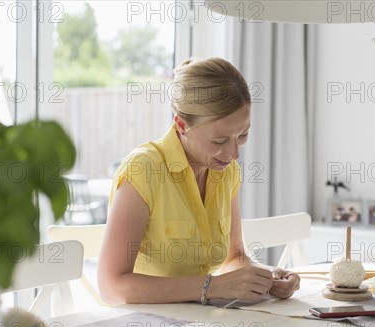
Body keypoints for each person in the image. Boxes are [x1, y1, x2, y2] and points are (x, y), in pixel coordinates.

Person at [98, 57, 301, 305]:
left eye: (243, 134)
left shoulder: (226, 171)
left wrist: (267, 278)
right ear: (182, 125)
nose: (234, 153)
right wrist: (211, 287)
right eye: (219, 141)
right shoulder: (144, 170)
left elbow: (233, 258)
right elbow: (111, 287)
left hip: (196, 325)